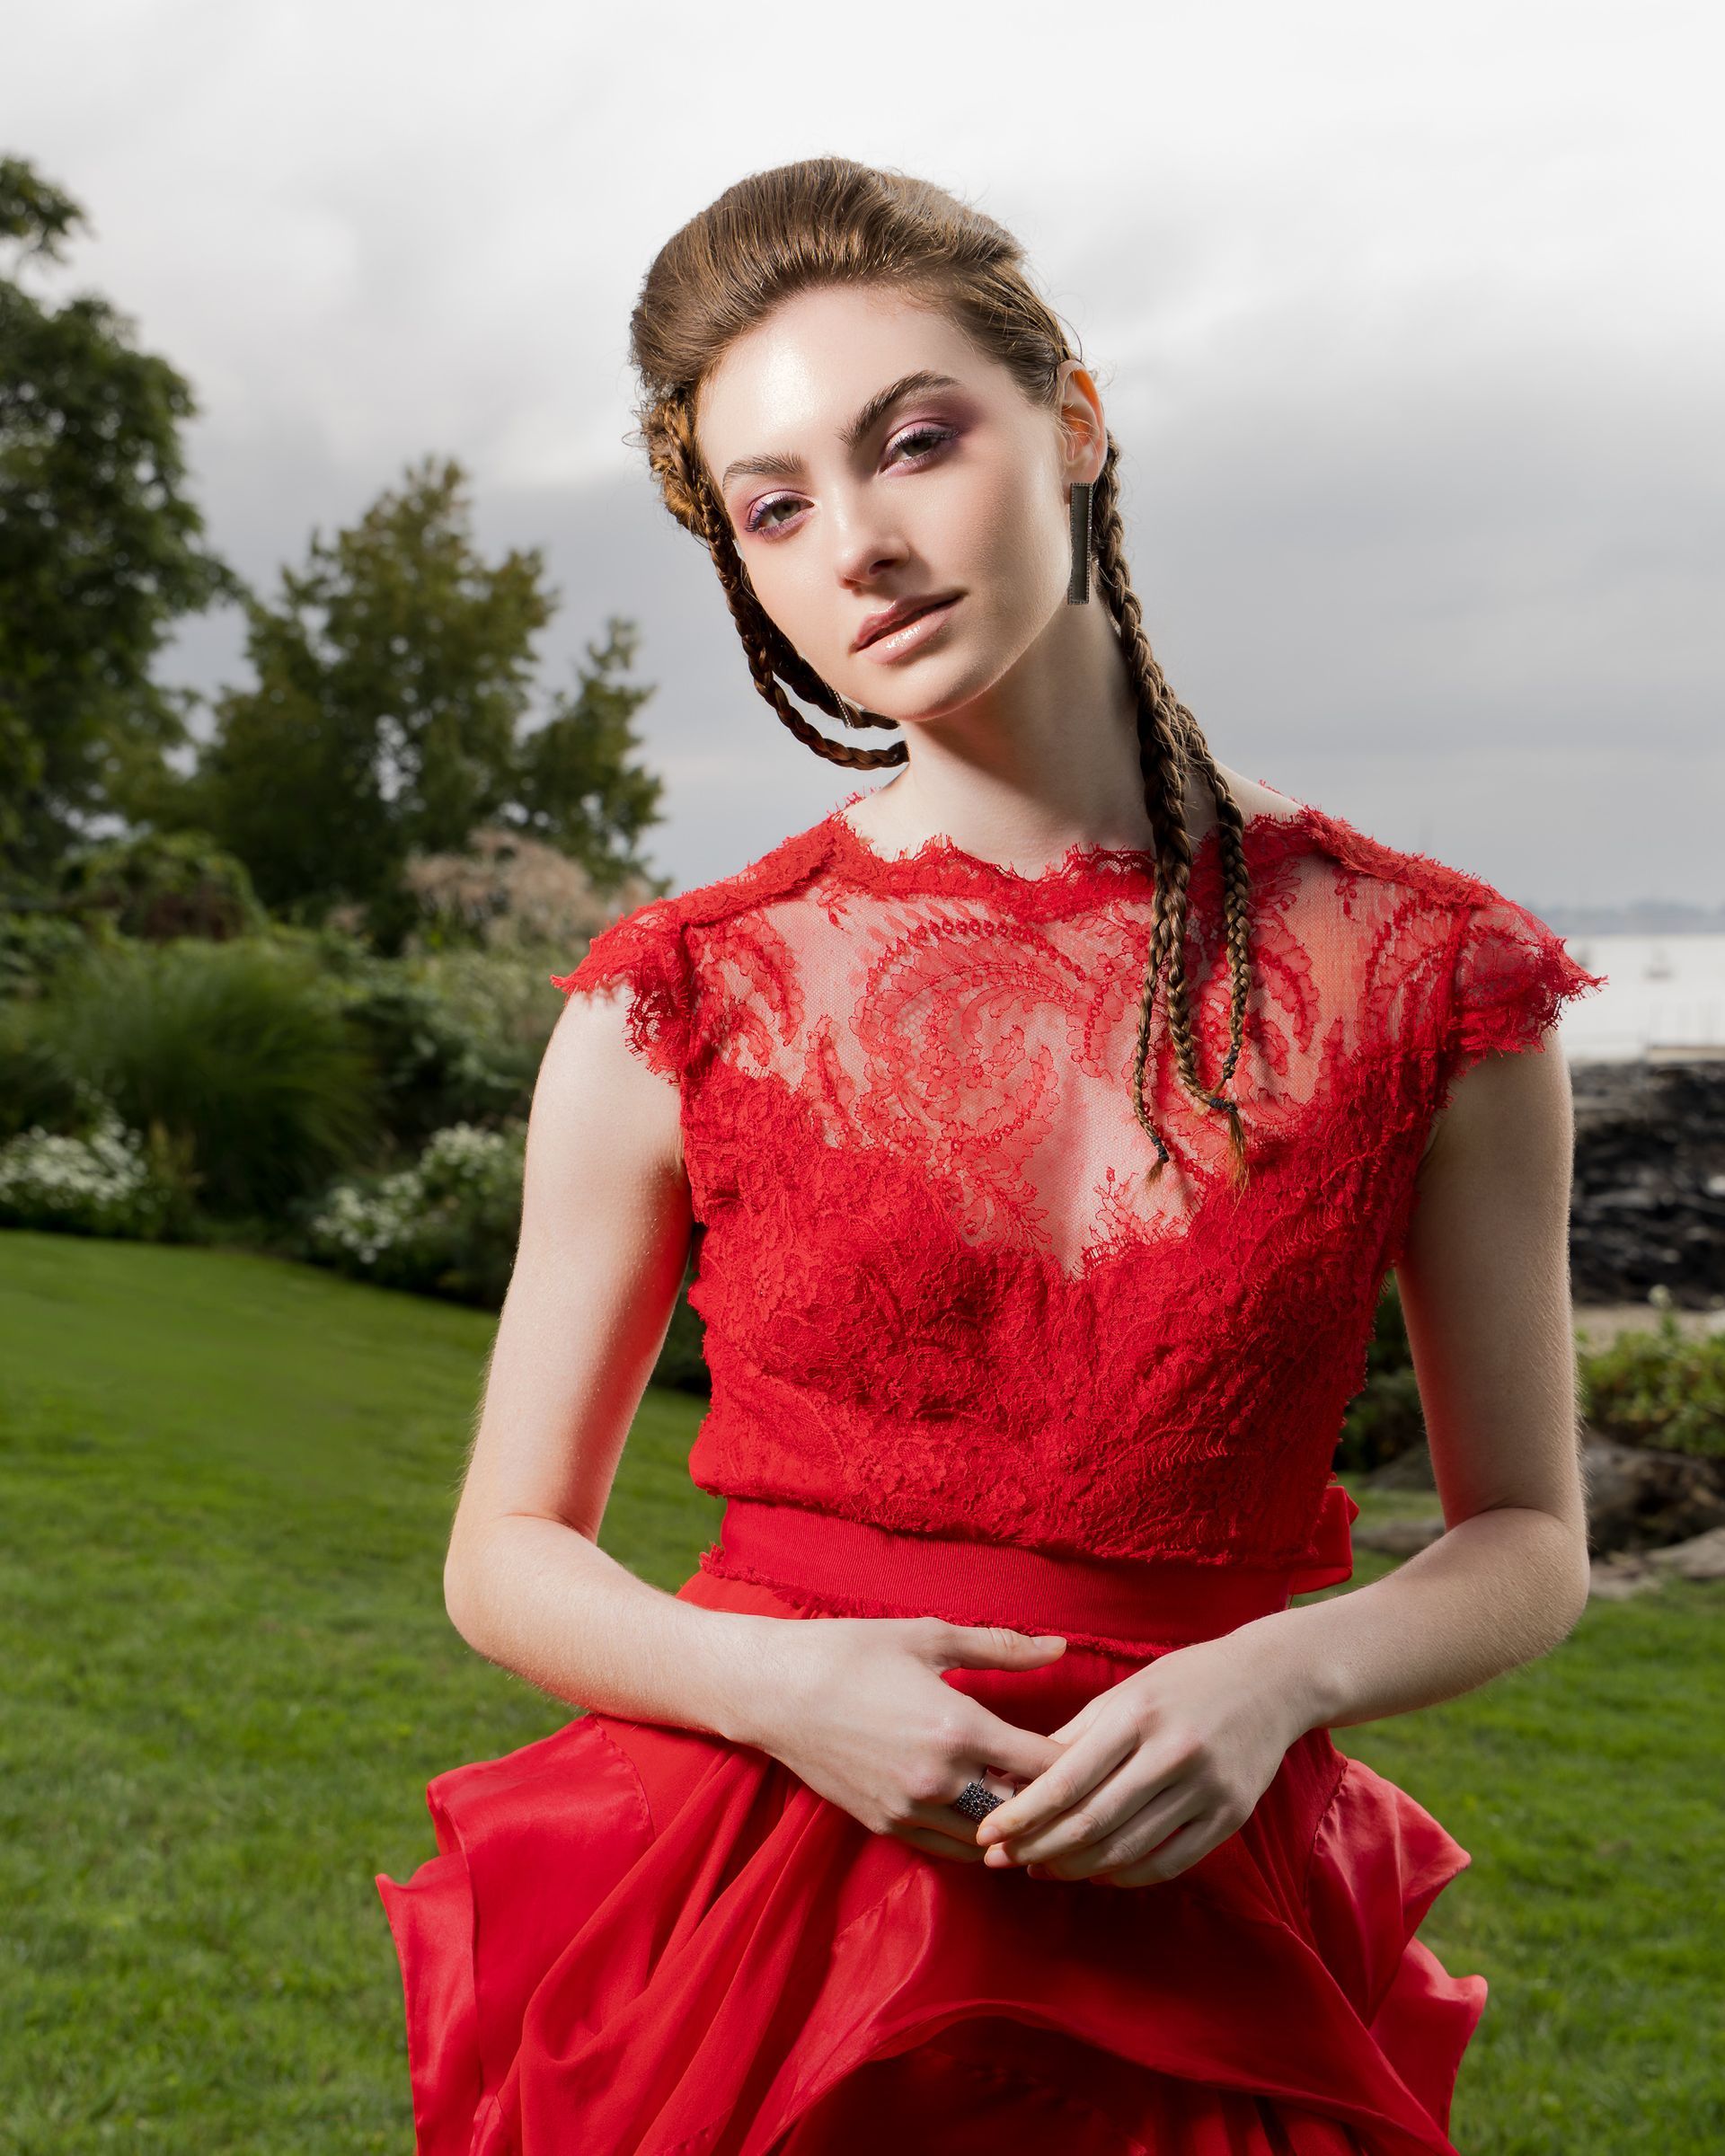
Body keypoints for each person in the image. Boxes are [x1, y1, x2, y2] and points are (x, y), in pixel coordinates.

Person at [375, 157, 1607, 2156]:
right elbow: (502, 1553)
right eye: (776, 506)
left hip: (1198, 1913)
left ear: (1078, 420)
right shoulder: (676, 1001)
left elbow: (1529, 1538)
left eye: (915, 443)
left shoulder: (1434, 981)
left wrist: (1285, 1678)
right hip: (755, 1917)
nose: (858, 544)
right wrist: (776, 1692)